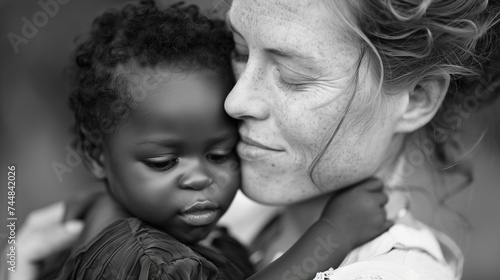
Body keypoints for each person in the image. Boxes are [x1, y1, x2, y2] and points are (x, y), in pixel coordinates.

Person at [6, 0, 500, 279]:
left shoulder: (396, 272)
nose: (236, 100)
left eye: (293, 75)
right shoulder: (223, 212)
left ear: (415, 100)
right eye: (240, 51)